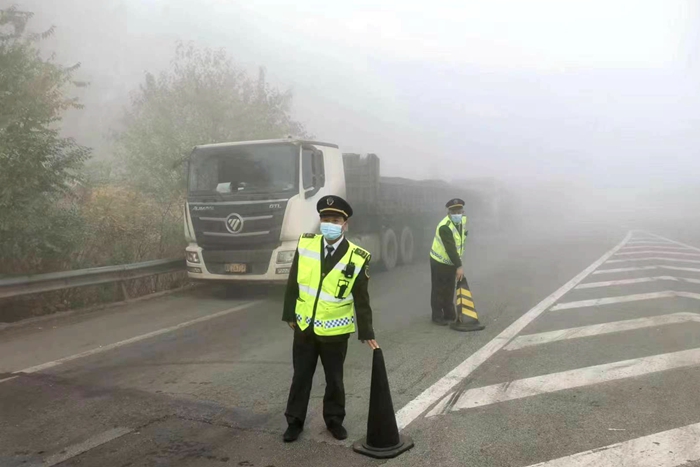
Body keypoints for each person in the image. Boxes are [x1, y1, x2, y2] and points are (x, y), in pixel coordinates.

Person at [282, 195, 379, 443]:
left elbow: (361, 298)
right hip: (304, 326)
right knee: (301, 376)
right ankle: (294, 422)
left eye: (335, 220)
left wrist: (366, 331)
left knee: (334, 379)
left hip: (335, 332)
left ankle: (334, 421)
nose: (329, 223)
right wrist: (289, 313)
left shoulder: (358, 257)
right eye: (325, 219)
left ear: (345, 224)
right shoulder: (306, 244)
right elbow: (293, 281)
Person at [429, 198, 468, 325]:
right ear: (449, 212)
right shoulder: (445, 227)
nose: (457, 214)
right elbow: (450, 248)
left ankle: (448, 312)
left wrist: (457, 263)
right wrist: (459, 266)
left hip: (450, 261)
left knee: (449, 287)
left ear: (463, 211)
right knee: (439, 288)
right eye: (454, 211)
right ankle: (437, 316)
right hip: (439, 261)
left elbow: (459, 243)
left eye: (459, 211)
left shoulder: (461, 222)